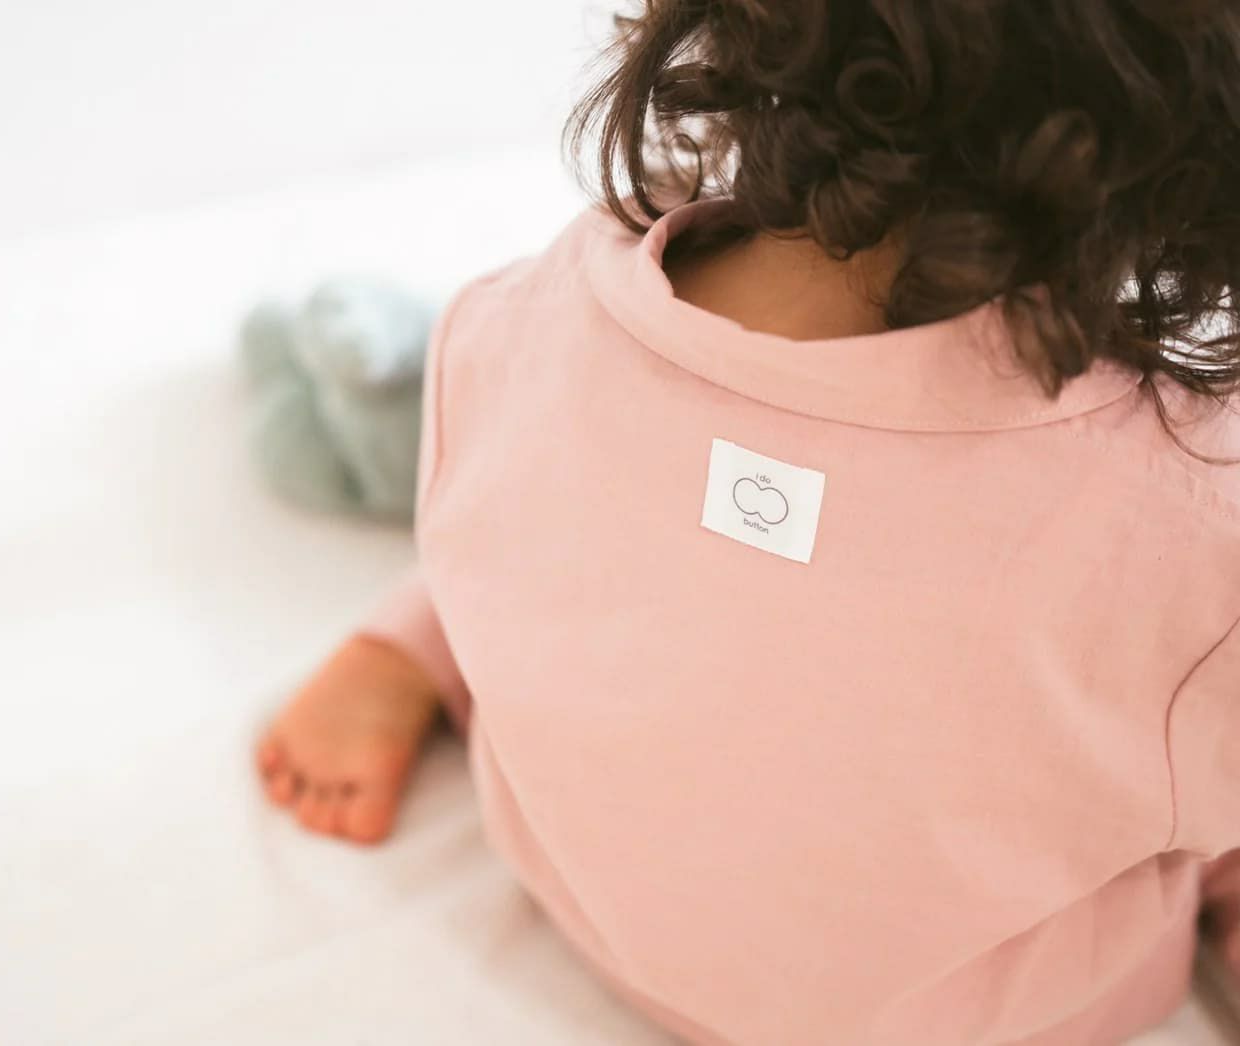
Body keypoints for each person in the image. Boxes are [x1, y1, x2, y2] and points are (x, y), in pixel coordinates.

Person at [255, 1, 1240, 1041]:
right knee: (1160, 699)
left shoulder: (532, 308)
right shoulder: (1189, 515)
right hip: (974, 1019)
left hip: (595, 907)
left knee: (564, 526)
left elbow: (531, 528)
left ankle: (423, 631)